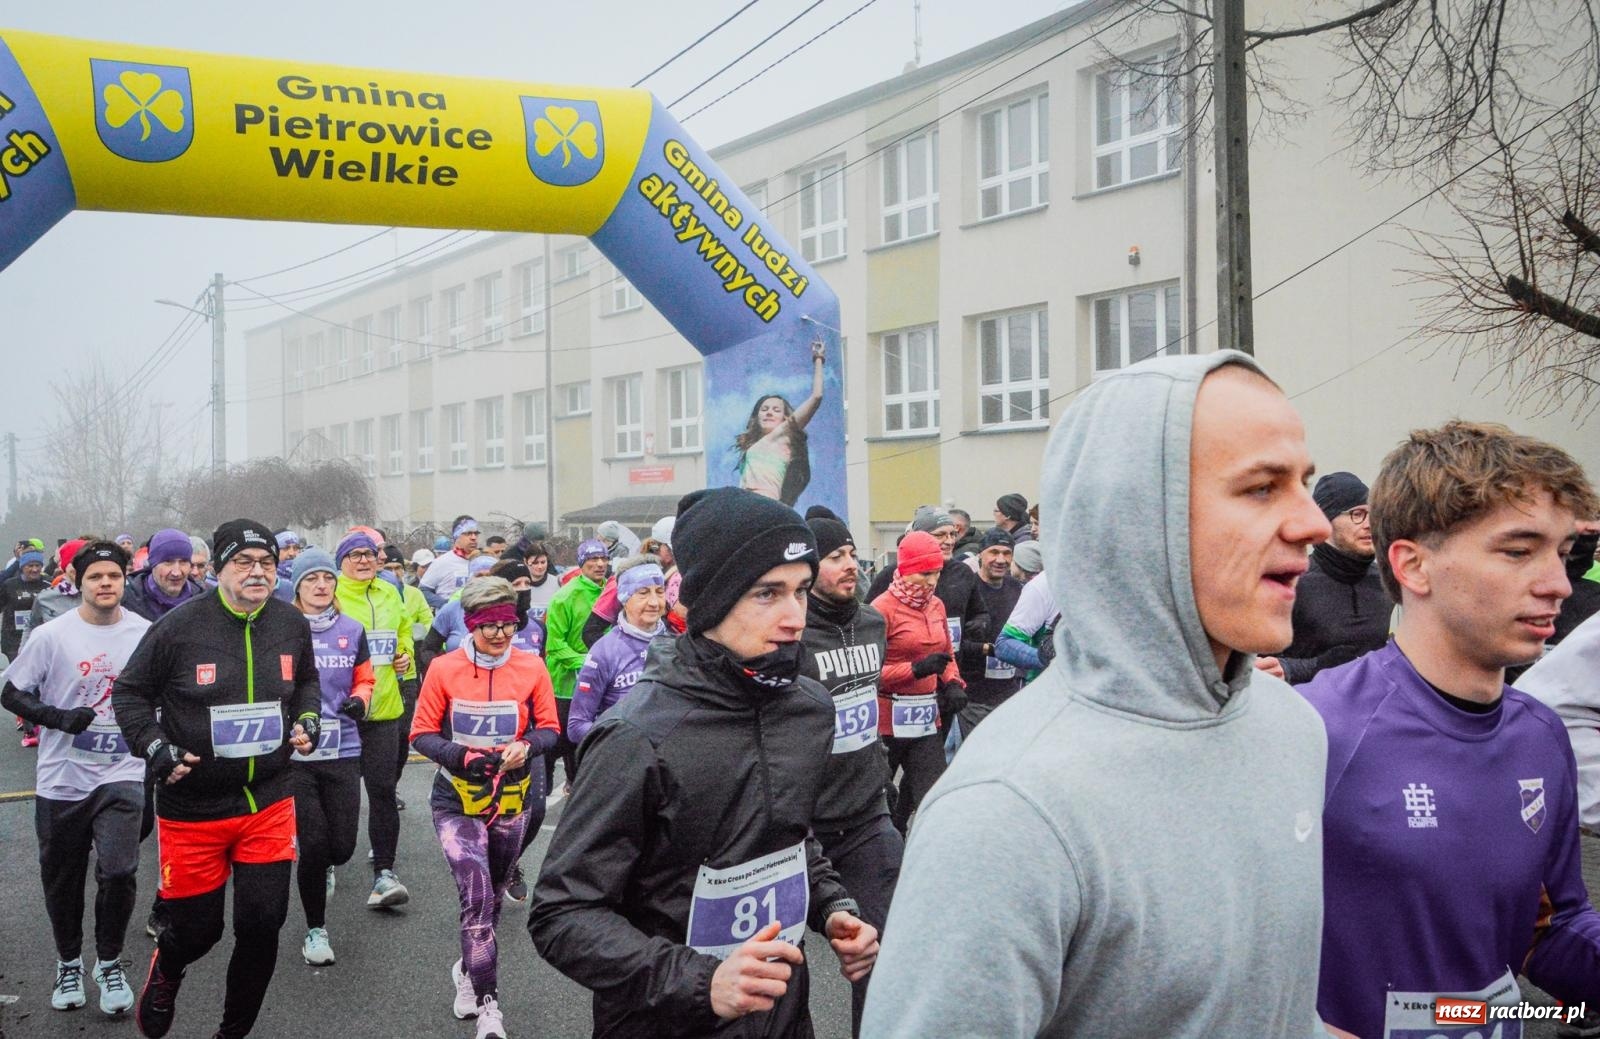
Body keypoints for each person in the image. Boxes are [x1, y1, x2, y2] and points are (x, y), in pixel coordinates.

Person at [862, 354, 1331, 1037]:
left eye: (1304, 484)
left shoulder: (1295, 730)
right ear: (1134, 517)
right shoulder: (1005, 809)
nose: (1313, 522)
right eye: (1262, 488)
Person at [529, 488, 879, 1038]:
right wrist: (702, 981)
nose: (794, 617)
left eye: (802, 591)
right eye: (768, 593)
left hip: (782, 1016)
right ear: (712, 598)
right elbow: (562, 915)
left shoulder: (808, 709)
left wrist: (832, 906)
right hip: (663, 1021)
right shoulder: (637, 735)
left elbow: (785, 834)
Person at [1300, 421, 1600, 1039]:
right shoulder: (1317, 729)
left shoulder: (1541, 733)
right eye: (1518, 551)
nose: (1558, 585)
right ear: (1413, 565)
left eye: (1563, 553)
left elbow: (1548, 931)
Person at [112, 520, 323, 1039]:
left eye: (267, 564)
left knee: (262, 925)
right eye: (244, 563)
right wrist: (157, 748)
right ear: (221, 569)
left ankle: (232, 1033)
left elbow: (308, 683)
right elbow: (130, 695)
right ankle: (168, 967)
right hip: (194, 806)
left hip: (269, 799)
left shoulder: (290, 623)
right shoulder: (180, 627)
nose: (258, 573)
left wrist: (308, 721)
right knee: (197, 931)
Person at [1, 541, 148, 1015]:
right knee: (62, 879)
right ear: (77, 582)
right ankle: (69, 962)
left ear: (124, 580)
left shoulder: (146, 633)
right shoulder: (52, 635)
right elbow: (11, 692)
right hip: (63, 776)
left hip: (124, 771)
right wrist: (56, 718)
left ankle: (108, 963)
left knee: (120, 871)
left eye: (114, 576)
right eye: (95, 577)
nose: (106, 584)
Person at [412, 577, 560, 1039]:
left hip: (510, 797)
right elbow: (420, 734)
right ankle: (489, 1008)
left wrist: (526, 745)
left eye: (508, 625)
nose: (500, 634)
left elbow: (551, 728)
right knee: (475, 901)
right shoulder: (444, 668)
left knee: (493, 900)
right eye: (489, 626)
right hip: (456, 798)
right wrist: (463, 756)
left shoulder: (531, 666)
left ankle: (468, 970)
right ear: (470, 625)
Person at [798, 512, 896, 1036]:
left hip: (865, 814)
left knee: (884, 950)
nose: (849, 565)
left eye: (851, 553)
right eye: (834, 556)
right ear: (809, 569)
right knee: (783, 974)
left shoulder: (873, 623)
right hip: (801, 823)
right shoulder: (792, 634)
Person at [284, 548, 374, 967]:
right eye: (311, 579)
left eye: (327, 578)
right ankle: (315, 930)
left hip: (344, 747)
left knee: (342, 846)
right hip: (298, 755)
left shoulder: (352, 629)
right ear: (297, 587)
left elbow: (365, 677)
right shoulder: (282, 629)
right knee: (315, 844)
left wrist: (360, 699)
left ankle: (326, 865)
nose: (321, 586)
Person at [332, 529, 415, 910]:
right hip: (342, 713)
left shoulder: (390, 592)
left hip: (385, 709)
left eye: (370, 554)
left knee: (382, 791)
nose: (364, 560)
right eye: (355, 555)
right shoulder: (331, 596)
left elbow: (403, 639)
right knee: (341, 797)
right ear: (342, 562)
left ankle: (385, 872)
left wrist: (404, 658)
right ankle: (327, 859)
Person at [869, 530, 964, 836]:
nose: (932, 582)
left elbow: (947, 653)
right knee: (881, 804)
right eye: (924, 574)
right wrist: (916, 669)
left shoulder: (936, 606)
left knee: (934, 799)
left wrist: (951, 682)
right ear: (907, 570)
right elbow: (869, 673)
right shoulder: (881, 610)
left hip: (924, 721)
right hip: (886, 724)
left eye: (936, 573)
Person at [1256, 472, 1391, 685]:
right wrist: (1315, 666)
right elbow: (1259, 671)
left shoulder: (1387, 582)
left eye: (1373, 514)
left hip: (1373, 712)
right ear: (1325, 521)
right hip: (1308, 711)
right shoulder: (1292, 583)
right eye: (1357, 514)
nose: (1369, 524)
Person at [565, 556, 669, 748]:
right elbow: (576, 726)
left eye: (660, 592)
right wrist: (624, 740)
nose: (654, 602)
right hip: (624, 765)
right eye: (643, 593)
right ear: (624, 598)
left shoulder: (677, 643)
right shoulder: (604, 651)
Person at [542, 538, 609, 793]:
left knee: (587, 740)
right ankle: (542, 786)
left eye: (604, 559)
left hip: (600, 681)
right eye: (593, 559)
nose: (600, 564)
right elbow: (555, 645)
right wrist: (589, 662)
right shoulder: (564, 597)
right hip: (565, 683)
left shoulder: (611, 592)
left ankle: (577, 786)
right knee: (559, 741)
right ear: (582, 563)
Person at [735, 340, 826, 506]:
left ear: (784, 419)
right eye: (764, 409)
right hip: (746, 506)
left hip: (765, 505)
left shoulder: (781, 435)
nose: (769, 412)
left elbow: (817, 396)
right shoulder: (752, 446)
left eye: (776, 410)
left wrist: (818, 358)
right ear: (755, 418)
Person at [958, 528, 1024, 737]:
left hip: (1010, 693)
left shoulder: (1017, 589)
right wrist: (988, 649)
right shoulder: (966, 589)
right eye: (994, 552)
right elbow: (953, 642)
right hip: (974, 696)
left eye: (1007, 553)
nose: (1000, 559)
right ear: (981, 555)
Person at [1, 545, 48, 746]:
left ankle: (42, 722)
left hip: (41, 641)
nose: (34, 569)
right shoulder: (9, 585)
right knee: (25, 684)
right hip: (14, 641)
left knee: (41, 684)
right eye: (30, 565)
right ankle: (30, 730)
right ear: (22, 567)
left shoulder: (48, 586)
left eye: (38, 565)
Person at [122, 529, 205, 623]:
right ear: (153, 564)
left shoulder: (203, 602)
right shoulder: (127, 602)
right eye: (168, 562)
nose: (176, 572)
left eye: (183, 562)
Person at [421, 516, 479, 608]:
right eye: (468, 533)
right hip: (449, 619)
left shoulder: (483, 561)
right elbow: (423, 590)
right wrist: (447, 605)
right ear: (456, 535)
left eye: (476, 533)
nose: (473, 538)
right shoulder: (442, 562)